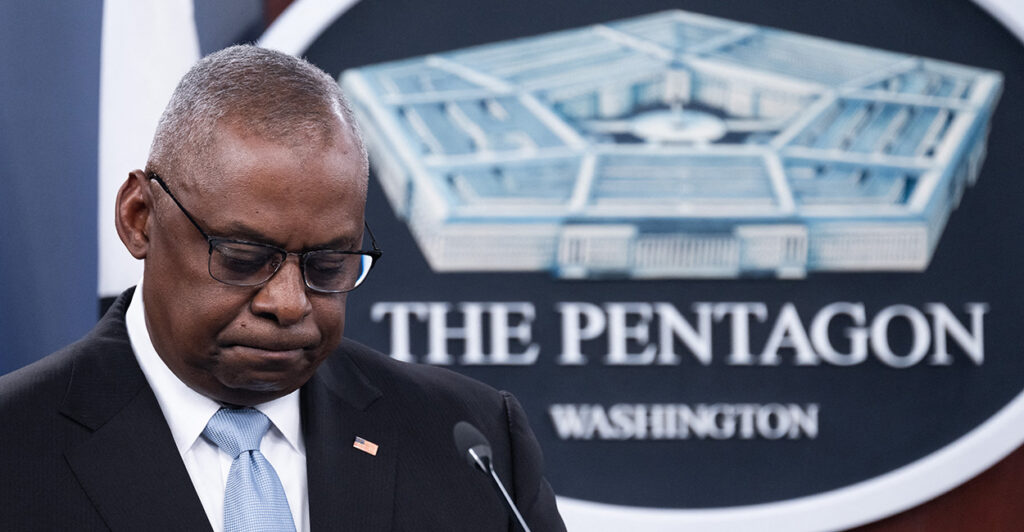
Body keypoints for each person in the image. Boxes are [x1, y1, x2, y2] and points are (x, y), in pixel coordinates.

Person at [0, 45, 565, 531]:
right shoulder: (15, 447)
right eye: (244, 259)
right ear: (140, 217)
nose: (289, 303)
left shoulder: (472, 445)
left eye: (327, 267)